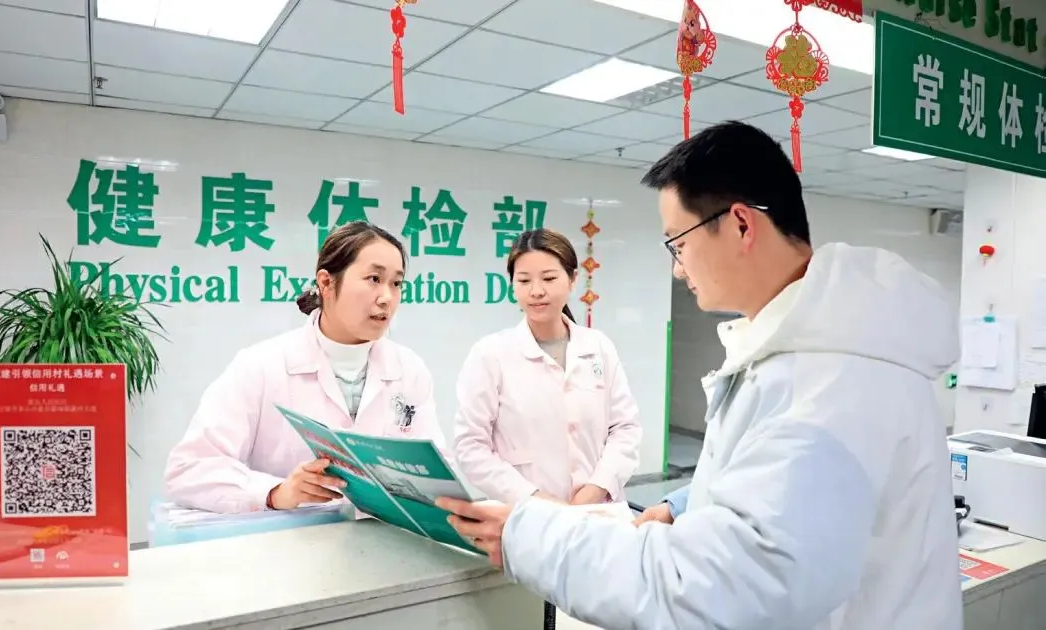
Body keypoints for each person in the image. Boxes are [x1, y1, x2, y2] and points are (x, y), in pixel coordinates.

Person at [436, 121, 962, 630]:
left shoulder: (828, 379)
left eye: (678, 242)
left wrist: (527, 535)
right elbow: (785, 497)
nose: (676, 266)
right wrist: (684, 504)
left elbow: (710, 590)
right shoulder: (816, 348)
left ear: (740, 225)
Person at [165, 221, 446, 514]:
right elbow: (189, 469)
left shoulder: (409, 369)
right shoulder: (260, 366)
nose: (387, 297)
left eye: (396, 283)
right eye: (374, 279)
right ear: (326, 283)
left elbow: (437, 470)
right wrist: (275, 492)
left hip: (389, 539)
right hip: (291, 539)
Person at [453, 228, 644, 629]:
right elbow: (471, 447)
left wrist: (594, 490)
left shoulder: (598, 347)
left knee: (597, 614)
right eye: (524, 280)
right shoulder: (491, 354)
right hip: (525, 522)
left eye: (549, 278)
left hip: (598, 517)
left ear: (572, 280)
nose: (536, 291)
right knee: (528, 616)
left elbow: (625, 428)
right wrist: (537, 502)